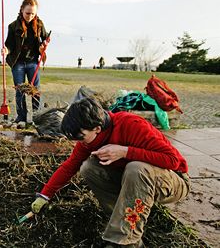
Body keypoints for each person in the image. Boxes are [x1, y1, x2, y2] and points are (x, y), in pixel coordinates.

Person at [31, 97, 190, 247]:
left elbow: (173, 161)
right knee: (89, 167)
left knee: (136, 168)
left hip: (173, 181)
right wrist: (44, 195)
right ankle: (121, 222)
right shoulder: (89, 138)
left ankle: (128, 242)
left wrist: (126, 152)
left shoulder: (132, 125)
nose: (80, 142)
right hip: (136, 181)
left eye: (82, 137)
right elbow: (69, 166)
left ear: (97, 128)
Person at [2, 0, 48, 127]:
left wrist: (44, 44)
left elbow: (45, 38)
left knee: (35, 90)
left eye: (33, 13)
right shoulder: (13, 26)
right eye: (28, 13)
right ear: (22, 10)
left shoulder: (39, 24)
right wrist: (6, 50)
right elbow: (9, 45)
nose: (30, 16)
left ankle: (36, 117)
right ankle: (21, 117)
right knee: (20, 90)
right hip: (18, 63)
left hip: (33, 62)